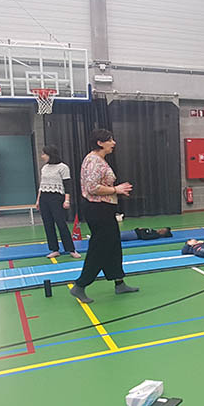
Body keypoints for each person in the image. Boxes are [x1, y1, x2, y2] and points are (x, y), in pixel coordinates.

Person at [70, 129, 138, 304]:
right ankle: (80, 285)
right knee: (100, 248)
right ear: (100, 143)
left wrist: (116, 191)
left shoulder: (99, 160)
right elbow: (92, 188)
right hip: (97, 209)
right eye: (110, 140)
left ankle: (119, 282)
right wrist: (116, 189)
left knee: (113, 245)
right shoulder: (94, 161)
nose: (113, 143)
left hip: (104, 208)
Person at [35, 146, 81, 260]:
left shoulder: (63, 167)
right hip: (44, 197)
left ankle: (71, 249)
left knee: (61, 223)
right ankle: (54, 249)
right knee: (48, 224)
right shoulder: (44, 168)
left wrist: (67, 200)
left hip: (56, 197)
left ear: (50, 154)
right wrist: (38, 200)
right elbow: (42, 185)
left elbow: (67, 185)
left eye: (44, 154)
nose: (42, 156)